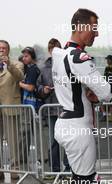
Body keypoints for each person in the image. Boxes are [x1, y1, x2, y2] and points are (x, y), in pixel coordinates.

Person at [38, 8, 112, 184]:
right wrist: (105, 90)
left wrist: (86, 92)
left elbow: (74, 87)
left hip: (66, 122)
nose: (96, 33)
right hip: (78, 127)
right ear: (81, 27)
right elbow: (106, 93)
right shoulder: (79, 58)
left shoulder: (60, 54)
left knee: (78, 182)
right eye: (93, 28)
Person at [37, 38, 70, 175]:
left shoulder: (67, 65)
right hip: (50, 109)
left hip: (65, 109)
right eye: (52, 49)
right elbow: (38, 87)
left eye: (57, 48)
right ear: (49, 51)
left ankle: (68, 169)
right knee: (53, 141)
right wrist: (43, 90)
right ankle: (54, 170)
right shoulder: (44, 69)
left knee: (67, 141)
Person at [0, 40, 24, 181]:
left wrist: (8, 64)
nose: (1, 50)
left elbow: (20, 77)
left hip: (10, 106)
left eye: (4, 48)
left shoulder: (16, 64)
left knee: (13, 141)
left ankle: (15, 169)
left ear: (8, 50)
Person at [19, 47, 41, 163]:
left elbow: (31, 87)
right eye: (23, 56)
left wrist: (20, 84)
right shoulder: (30, 68)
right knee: (29, 133)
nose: (24, 58)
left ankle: (24, 159)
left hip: (31, 104)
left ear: (32, 57)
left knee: (26, 133)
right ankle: (37, 158)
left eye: (26, 56)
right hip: (32, 105)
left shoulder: (32, 69)